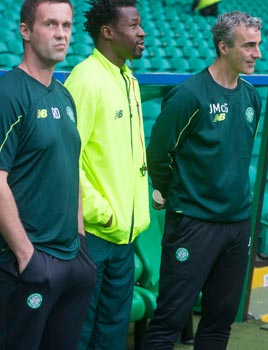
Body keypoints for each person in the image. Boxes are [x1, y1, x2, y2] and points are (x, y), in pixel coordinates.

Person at [142, 11, 262, 350]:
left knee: (219, 322)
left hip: (237, 225)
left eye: (258, 45)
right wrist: (171, 194)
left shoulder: (252, 97)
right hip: (193, 224)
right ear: (223, 47)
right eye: (249, 46)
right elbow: (159, 154)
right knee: (169, 320)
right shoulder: (188, 96)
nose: (257, 54)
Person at [0, 0, 97, 349]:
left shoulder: (65, 95)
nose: (61, 34)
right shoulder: (8, 93)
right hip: (29, 262)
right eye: (50, 24)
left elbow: (71, 169)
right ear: (26, 31)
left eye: (67, 26)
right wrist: (26, 255)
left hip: (72, 257)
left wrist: (81, 240)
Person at [63, 0, 150, 348]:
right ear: (108, 32)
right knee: (82, 332)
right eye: (133, 25)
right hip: (95, 235)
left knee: (113, 332)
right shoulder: (85, 80)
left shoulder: (129, 78)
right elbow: (67, 160)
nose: (142, 32)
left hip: (125, 237)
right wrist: (103, 212)